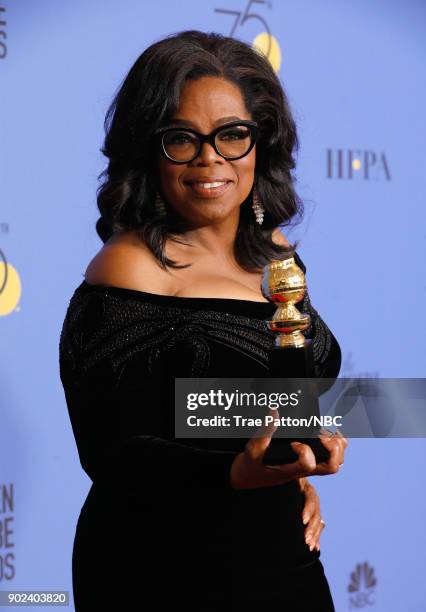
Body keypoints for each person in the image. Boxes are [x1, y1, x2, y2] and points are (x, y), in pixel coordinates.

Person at [59, 30, 348, 611]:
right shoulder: (128, 266)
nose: (210, 158)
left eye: (232, 135)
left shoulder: (278, 254)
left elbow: (276, 401)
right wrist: (236, 473)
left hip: (278, 549)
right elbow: (112, 452)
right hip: (163, 562)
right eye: (182, 140)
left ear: (259, 142)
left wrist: (294, 469)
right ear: (149, 151)